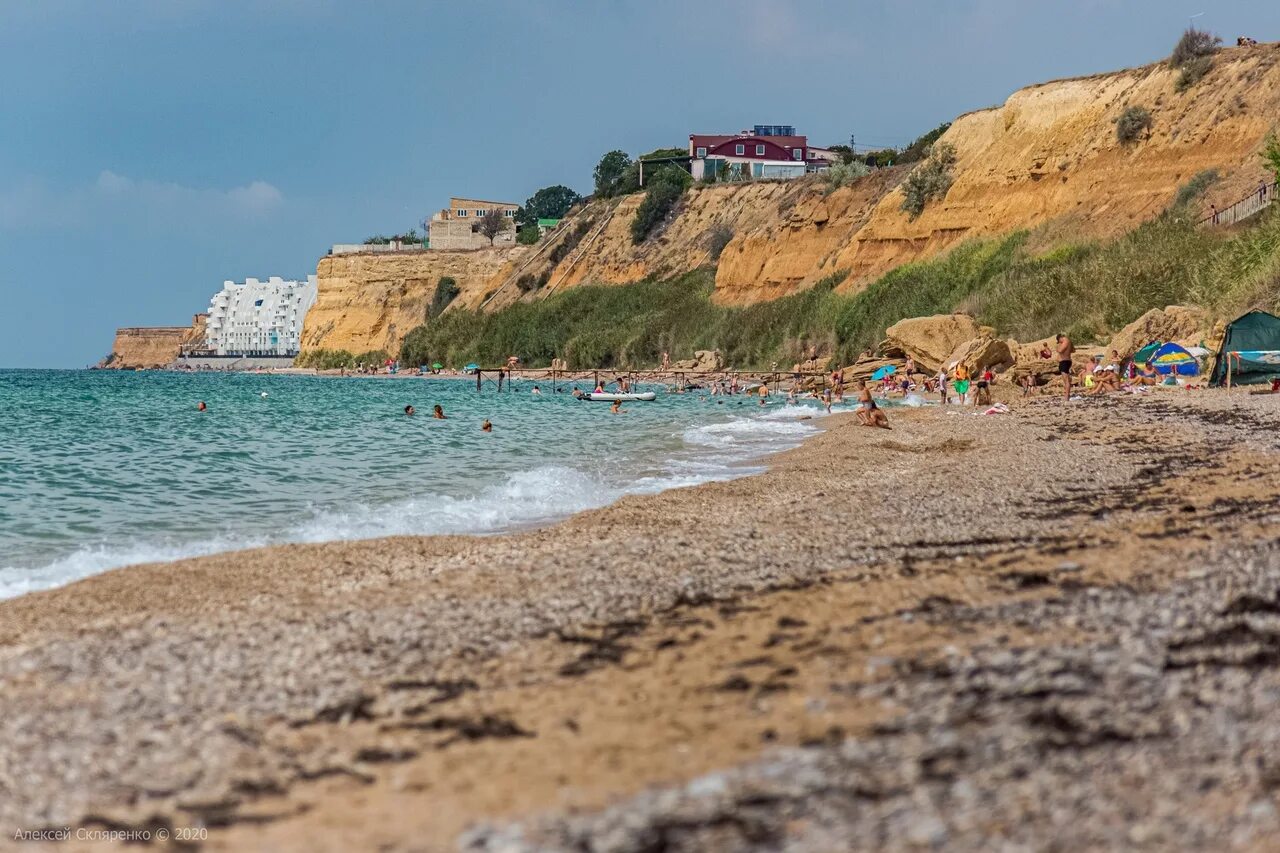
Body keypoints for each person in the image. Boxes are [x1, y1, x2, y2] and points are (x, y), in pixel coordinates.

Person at [1055, 333, 1074, 400]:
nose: (1059, 343)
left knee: (1066, 381)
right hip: (1066, 361)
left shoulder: (1065, 341)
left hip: (1064, 362)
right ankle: (1067, 395)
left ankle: (1066, 397)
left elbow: (1060, 350)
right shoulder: (1069, 342)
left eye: (1059, 341)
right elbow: (1073, 350)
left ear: (1060, 338)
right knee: (1067, 380)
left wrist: (1057, 348)